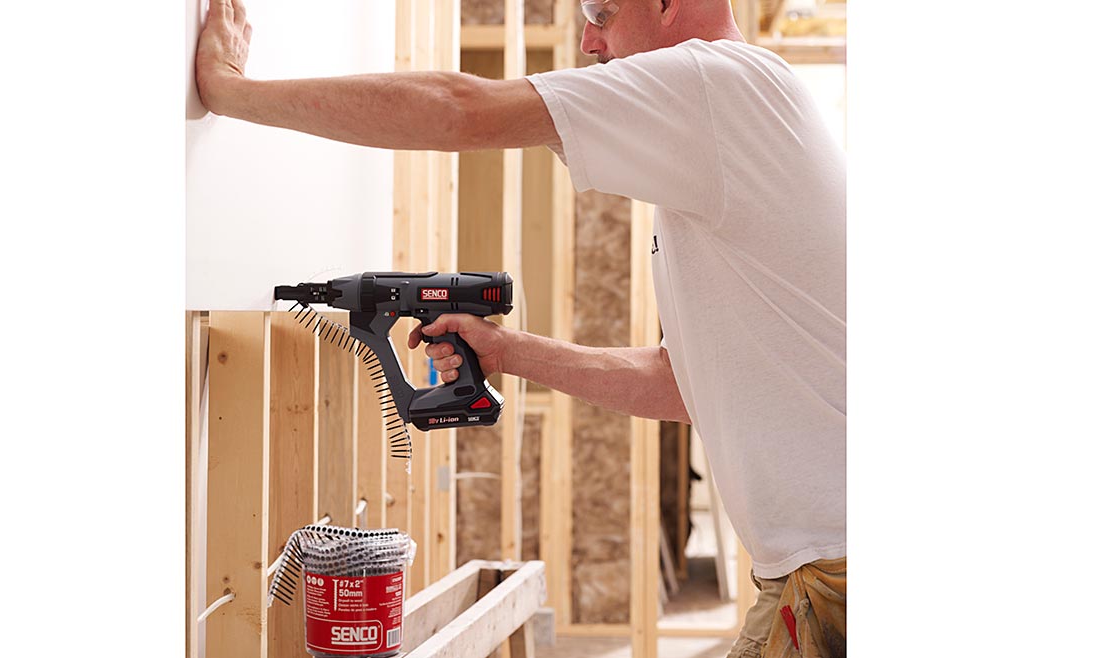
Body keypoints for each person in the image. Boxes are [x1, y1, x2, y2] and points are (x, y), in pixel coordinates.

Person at [197, 0, 846, 655]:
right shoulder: (739, 111)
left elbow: (460, 108)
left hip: (831, 569)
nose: (590, 39)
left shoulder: (713, 83)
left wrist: (230, 90)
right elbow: (683, 384)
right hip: (813, 569)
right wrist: (505, 351)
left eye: (604, 11)